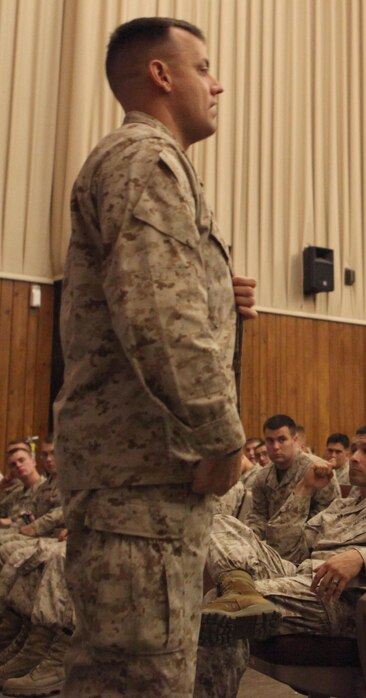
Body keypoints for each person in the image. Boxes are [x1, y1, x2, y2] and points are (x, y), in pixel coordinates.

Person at [55, 16, 255, 695]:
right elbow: (159, 316)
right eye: (204, 67)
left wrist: (222, 300)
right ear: (162, 75)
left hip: (138, 487)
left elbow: (153, 300)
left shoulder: (145, 164)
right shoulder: (147, 160)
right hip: (140, 489)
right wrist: (223, 437)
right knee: (137, 682)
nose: (217, 83)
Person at [194, 421, 366, 695]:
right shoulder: (342, 505)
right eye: (354, 449)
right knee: (217, 520)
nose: (354, 457)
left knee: (218, 608)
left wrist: (359, 557)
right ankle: (239, 588)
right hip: (301, 576)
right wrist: (304, 490)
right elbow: (285, 548)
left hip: (339, 596)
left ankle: (238, 597)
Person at [245, 415, 339, 559]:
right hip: (269, 549)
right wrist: (250, 540)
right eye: (270, 441)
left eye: (282, 440)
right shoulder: (262, 476)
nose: (275, 447)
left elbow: (328, 519)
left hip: (307, 551)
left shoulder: (318, 470)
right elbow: (258, 516)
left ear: (294, 440)